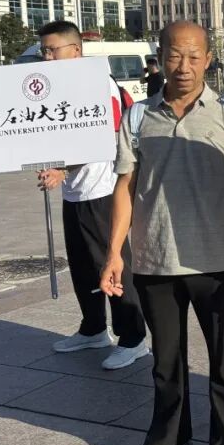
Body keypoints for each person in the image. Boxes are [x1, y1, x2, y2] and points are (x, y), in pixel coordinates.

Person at [99, 21, 224, 445]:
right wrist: (115, 253)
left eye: (194, 56)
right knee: (165, 359)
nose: (184, 66)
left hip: (214, 258)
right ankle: (168, 439)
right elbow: (125, 187)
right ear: (159, 57)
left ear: (209, 59)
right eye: (175, 55)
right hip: (154, 257)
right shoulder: (138, 116)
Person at [35, 22, 149, 371]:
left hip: (102, 189)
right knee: (82, 264)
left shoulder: (99, 85)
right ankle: (94, 328)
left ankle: (133, 338)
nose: (47, 57)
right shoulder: (57, 87)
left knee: (111, 262)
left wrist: (63, 169)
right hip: (75, 192)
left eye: (53, 50)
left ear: (76, 50)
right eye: (44, 50)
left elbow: (106, 136)